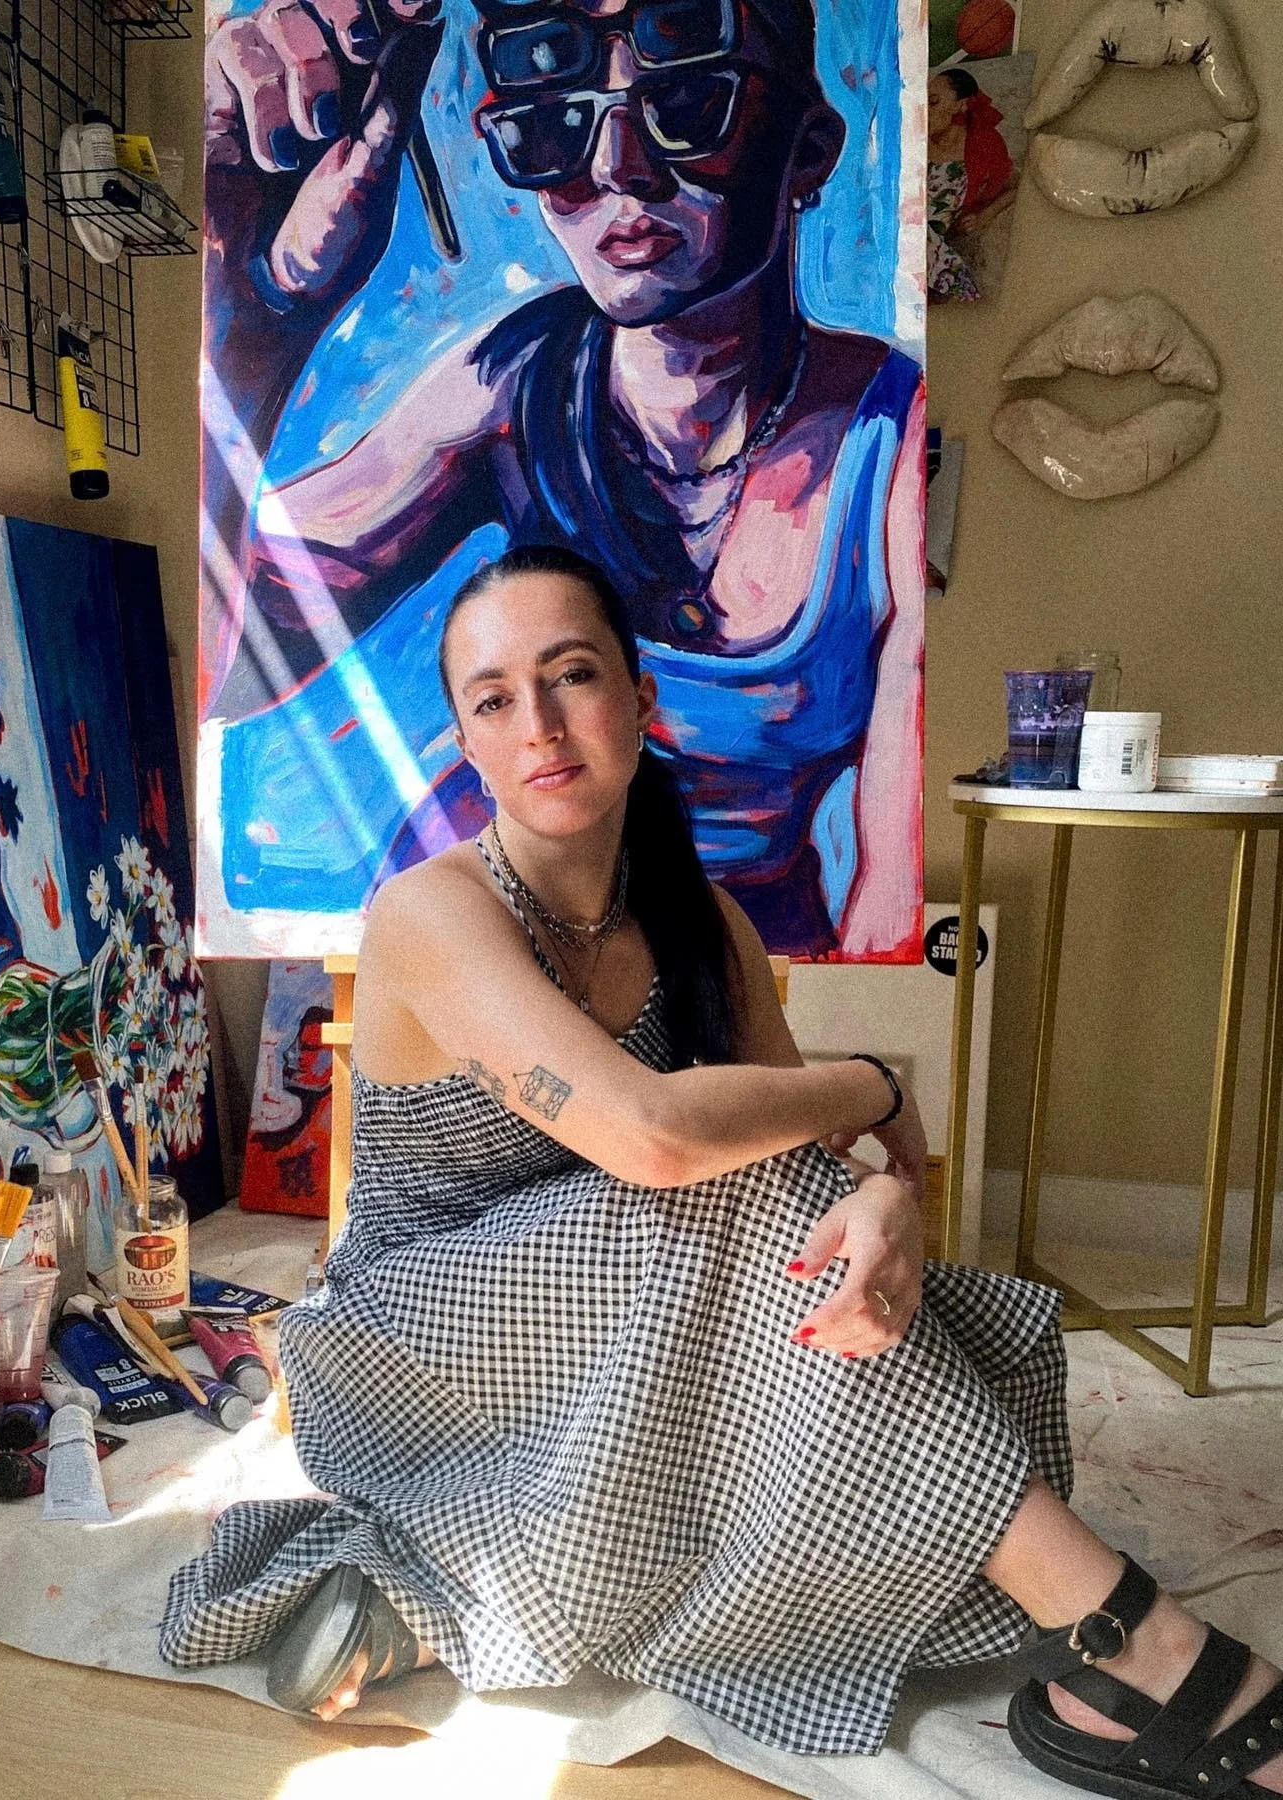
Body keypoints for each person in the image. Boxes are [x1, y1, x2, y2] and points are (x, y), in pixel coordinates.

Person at [163, 550, 1283, 1795]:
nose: (539, 725)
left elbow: (804, 1166)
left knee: (888, 1301)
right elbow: (654, 1137)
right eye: (493, 699)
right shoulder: (433, 913)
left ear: (641, 699)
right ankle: (1133, 1639)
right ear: (466, 745)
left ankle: (459, 1585)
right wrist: (874, 1083)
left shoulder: (705, 923)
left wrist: (886, 1201)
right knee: (709, 1189)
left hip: (622, 1337)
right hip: (418, 1353)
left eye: (571, 676)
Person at [201, 0, 924, 956]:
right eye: (551, 125)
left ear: (809, 152)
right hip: (498, 951)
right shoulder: (510, 386)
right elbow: (229, 657)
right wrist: (252, 316)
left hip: (739, 968)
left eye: (688, 104)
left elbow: (888, 910)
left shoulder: (890, 443)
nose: (618, 169)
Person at [927, 67, 1019, 302]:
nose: (924, 110)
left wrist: (985, 214)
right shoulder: (912, 139)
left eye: (933, 102)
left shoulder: (983, 145)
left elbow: (1015, 186)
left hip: (925, 245)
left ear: (962, 105)